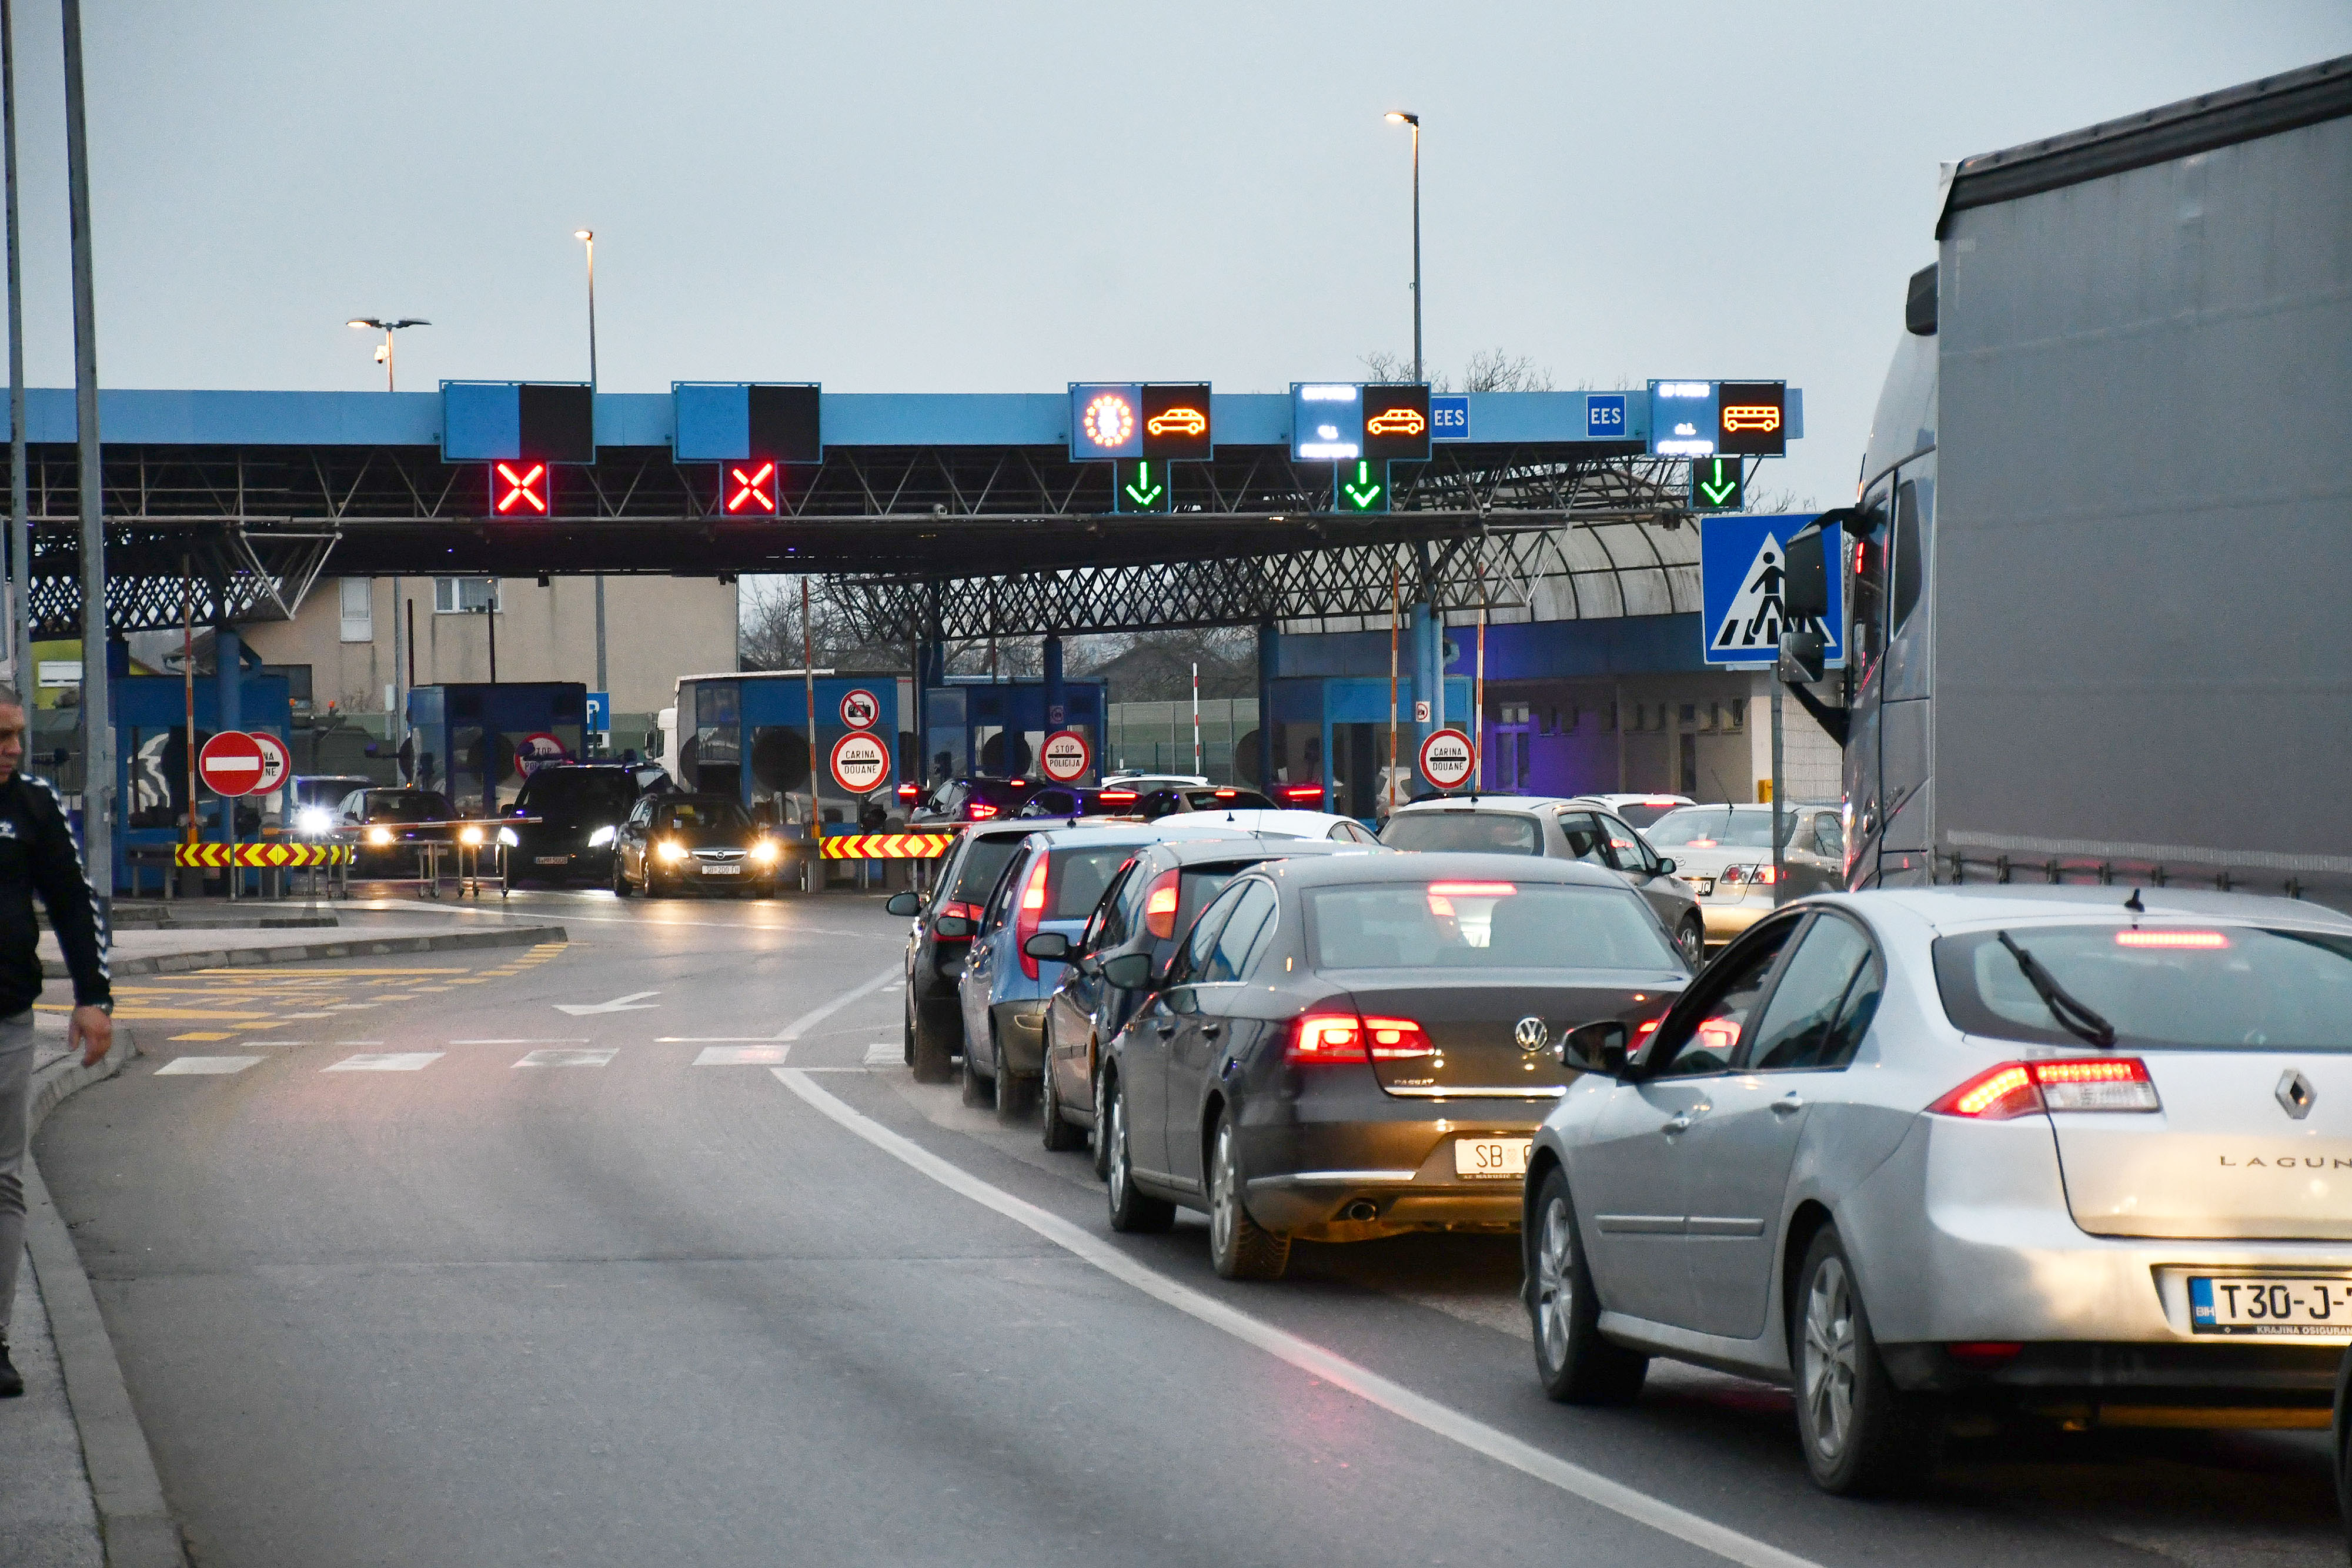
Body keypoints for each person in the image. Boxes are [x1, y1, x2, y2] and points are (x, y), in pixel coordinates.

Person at [0, 687, 111, 1399]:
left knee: (2, 1179)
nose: (14, 748)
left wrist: (93, 997)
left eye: (16, 735)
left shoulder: (32, 805)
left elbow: (73, 901)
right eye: (0, 737)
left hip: (6, 1018)